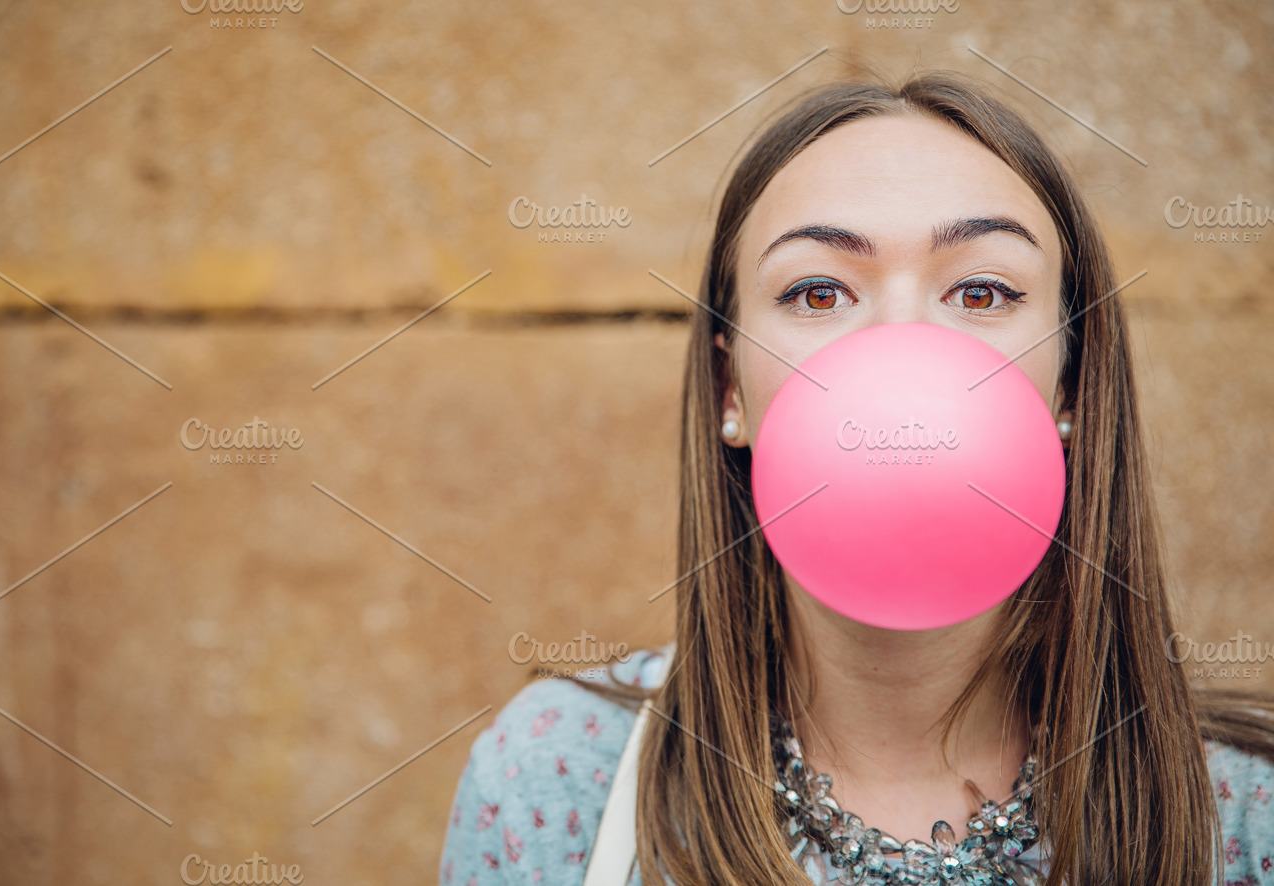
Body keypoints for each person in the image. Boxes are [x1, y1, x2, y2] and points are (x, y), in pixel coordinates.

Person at [438, 69, 1274, 885]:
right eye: (816, 293)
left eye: (982, 292)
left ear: (1071, 385)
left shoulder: (1247, 811)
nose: (901, 346)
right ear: (731, 391)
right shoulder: (558, 778)